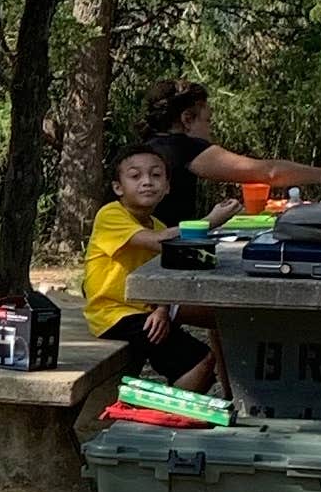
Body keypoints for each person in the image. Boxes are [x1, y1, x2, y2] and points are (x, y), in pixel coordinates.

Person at [83, 146, 221, 387]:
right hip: (114, 314)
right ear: (118, 188)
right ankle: (162, 419)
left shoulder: (156, 224)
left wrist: (162, 308)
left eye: (156, 175)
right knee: (201, 360)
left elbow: (168, 273)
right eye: (135, 176)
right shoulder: (111, 215)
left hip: (144, 309)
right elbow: (161, 242)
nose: (147, 182)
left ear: (167, 186)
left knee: (225, 319)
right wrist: (209, 222)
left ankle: (233, 402)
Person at [131, 81, 321, 219]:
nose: (211, 130)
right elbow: (268, 172)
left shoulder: (148, 146)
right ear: (187, 120)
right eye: (207, 121)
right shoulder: (182, 147)